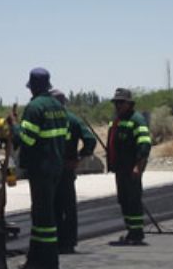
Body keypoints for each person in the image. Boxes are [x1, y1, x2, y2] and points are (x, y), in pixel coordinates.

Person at [8, 68, 68, 269]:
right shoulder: (58, 107)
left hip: (41, 169)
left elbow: (27, 140)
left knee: (43, 218)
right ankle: (34, 260)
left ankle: (48, 263)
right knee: (42, 213)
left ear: (33, 86)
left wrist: (14, 126)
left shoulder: (35, 108)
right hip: (56, 168)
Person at [49, 89, 96, 254]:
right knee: (68, 207)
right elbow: (90, 140)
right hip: (66, 170)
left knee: (52, 207)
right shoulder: (74, 120)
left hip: (51, 170)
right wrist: (78, 158)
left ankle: (54, 242)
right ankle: (68, 242)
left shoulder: (49, 119)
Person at [106, 88, 152, 246]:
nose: (118, 105)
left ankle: (137, 233)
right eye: (116, 102)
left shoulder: (137, 120)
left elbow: (145, 144)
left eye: (121, 102)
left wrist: (138, 166)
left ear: (129, 103)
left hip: (131, 168)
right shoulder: (117, 120)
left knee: (133, 200)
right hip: (120, 169)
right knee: (123, 199)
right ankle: (130, 230)